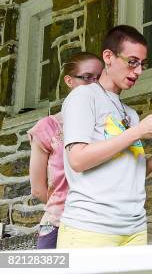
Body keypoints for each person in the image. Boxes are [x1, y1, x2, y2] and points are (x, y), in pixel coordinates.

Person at [56, 25, 152, 248]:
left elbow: (130, 173)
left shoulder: (129, 113)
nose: (139, 71)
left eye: (143, 64)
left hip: (134, 229)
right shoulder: (83, 97)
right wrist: (138, 131)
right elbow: (78, 160)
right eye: (132, 61)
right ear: (108, 57)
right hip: (90, 228)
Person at [28, 52, 104, 249]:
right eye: (87, 77)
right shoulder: (48, 127)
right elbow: (37, 189)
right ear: (69, 81)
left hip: (100, 225)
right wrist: (67, 208)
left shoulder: (106, 125)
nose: (95, 84)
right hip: (59, 225)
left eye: (99, 77)